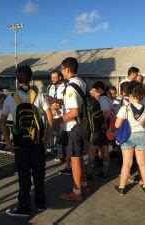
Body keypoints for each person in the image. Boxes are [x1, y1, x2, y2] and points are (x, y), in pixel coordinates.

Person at [0, 65, 53, 217]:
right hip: (37, 142)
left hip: (20, 144)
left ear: (17, 79)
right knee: (39, 175)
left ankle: (24, 207)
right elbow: (49, 118)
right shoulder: (39, 95)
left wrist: (9, 142)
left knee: (24, 177)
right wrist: (47, 138)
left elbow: (2, 121)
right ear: (31, 78)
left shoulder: (11, 98)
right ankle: (41, 203)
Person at [53, 57, 90, 201]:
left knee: (74, 159)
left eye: (62, 69)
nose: (61, 72)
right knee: (79, 157)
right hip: (81, 124)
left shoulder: (70, 87)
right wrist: (57, 101)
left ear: (67, 69)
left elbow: (73, 111)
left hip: (74, 126)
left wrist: (58, 120)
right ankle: (84, 184)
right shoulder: (81, 82)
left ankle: (76, 191)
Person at [114, 81, 145, 195]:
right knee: (142, 163)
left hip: (129, 136)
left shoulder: (125, 108)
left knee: (127, 164)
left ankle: (121, 188)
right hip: (141, 135)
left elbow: (117, 125)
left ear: (130, 95)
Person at [87, 81, 114, 180]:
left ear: (99, 89)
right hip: (106, 129)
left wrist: (101, 123)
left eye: (94, 91)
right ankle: (104, 172)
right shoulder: (106, 97)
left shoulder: (102, 99)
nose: (93, 93)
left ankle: (89, 173)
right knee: (104, 148)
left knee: (91, 150)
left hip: (101, 129)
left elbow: (107, 113)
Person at [46, 70, 63, 155]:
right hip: (51, 114)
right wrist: (50, 109)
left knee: (60, 136)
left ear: (59, 77)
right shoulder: (49, 87)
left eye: (55, 77)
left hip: (60, 114)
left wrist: (56, 107)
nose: (53, 79)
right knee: (50, 133)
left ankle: (60, 155)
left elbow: (65, 101)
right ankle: (51, 150)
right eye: (52, 77)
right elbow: (47, 100)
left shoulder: (64, 87)